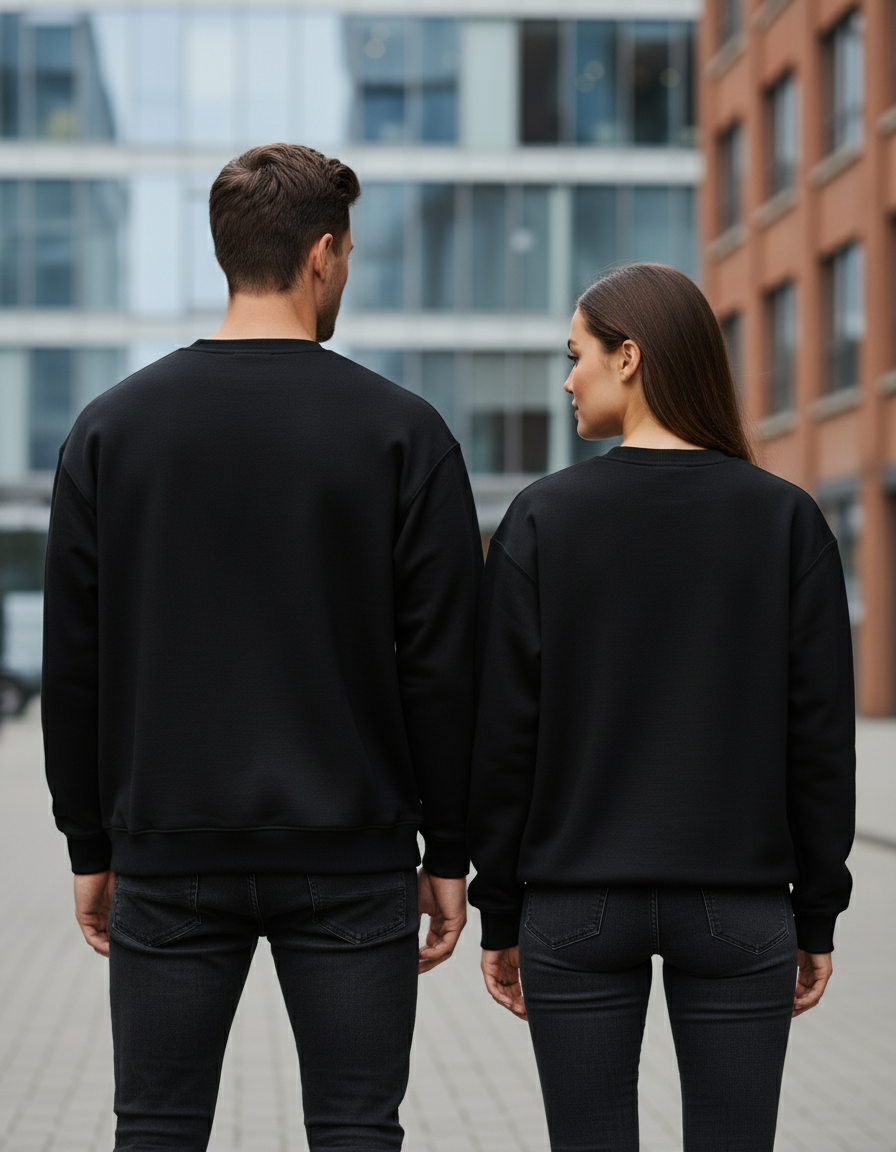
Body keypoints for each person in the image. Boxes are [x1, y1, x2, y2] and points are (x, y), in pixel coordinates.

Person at [41, 143, 482, 1151]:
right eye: (349, 254)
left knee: (155, 1128)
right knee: (357, 1129)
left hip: (168, 847)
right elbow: (443, 668)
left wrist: (88, 843)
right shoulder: (405, 434)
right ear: (322, 254)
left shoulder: (109, 431)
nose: (346, 271)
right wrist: (451, 852)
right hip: (354, 852)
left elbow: (74, 661)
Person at [467, 263, 855, 1152]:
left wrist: (498, 908)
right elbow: (821, 741)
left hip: (576, 903)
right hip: (740, 906)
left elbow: (503, 739)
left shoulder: (541, 520)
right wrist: (817, 912)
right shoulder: (786, 521)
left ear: (629, 357)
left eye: (576, 355)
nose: (569, 379)